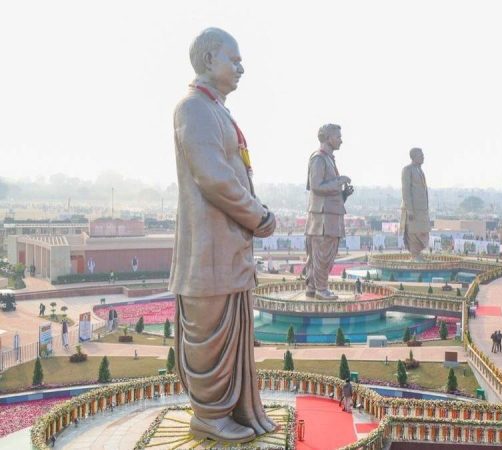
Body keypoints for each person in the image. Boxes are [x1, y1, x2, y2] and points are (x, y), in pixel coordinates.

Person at [170, 28, 279, 443]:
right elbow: (214, 178)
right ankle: (210, 415)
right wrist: (259, 216)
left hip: (228, 249)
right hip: (207, 253)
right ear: (209, 58)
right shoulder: (193, 109)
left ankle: (232, 411)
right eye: (233, 59)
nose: (240, 67)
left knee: (228, 337)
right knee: (208, 338)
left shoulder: (217, 111)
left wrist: (254, 217)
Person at [304, 124, 352, 300]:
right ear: (328, 138)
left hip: (330, 216)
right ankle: (321, 289)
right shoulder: (319, 158)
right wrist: (339, 181)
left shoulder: (329, 159)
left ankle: (313, 287)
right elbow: (316, 186)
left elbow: (327, 192)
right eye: (338, 136)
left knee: (324, 254)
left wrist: (343, 193)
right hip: (322, 219)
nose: (341, 140)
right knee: (322, 255)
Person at [400, 148, 431, 261]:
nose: (423, 157)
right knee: (413, 232)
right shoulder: (407, 170)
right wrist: (410, 210)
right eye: (420, 155)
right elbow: (406, 191)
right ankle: (414, 255)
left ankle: (418, 253)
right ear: (413, 157)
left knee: (423, 231)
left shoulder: (420, 170)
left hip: (422, 210)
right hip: (412, 209)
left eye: (423, 154)